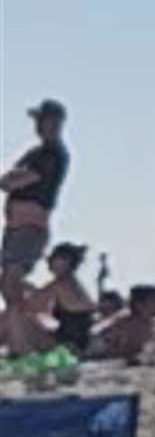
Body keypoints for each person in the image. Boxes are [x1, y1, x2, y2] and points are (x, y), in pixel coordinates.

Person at [3, 103, 67, 298]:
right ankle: (39, 303)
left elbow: (19, 179)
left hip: (29, 228)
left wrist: (11, 179)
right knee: (7, 282)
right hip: (15, 229)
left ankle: (29, 320)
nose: (38, 125)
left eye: (42, 120)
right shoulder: (35, 153)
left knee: (11, 282)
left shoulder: (53, 154)